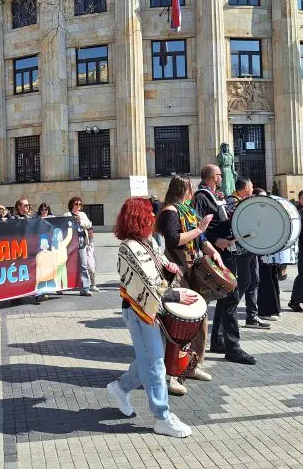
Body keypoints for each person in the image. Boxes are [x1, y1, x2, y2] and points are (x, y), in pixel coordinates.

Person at [106, 197, 195, 438]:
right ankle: (161, 417)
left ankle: (120, 388)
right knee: (155, 363)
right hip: (138, 311)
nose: (154, 217)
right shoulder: (128, 247)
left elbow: (160, 264)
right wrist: (175, 294)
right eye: (149, 214)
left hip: (151, 309)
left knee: (150, 359)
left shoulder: (148, 241)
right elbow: (147, 280)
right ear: (139, 218)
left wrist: (171, 268)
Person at [157, 174, 225, 396]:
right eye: (190, 187)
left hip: (192, 268)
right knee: (179, 323)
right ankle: (173, 374)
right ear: (182, 189)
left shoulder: (188, 210)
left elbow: (200, 240)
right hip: (177, 271)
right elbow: (174, 239)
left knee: (200, 318)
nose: (192, 190)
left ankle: (192, 365)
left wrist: (213, 252)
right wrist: (200, 228)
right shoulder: (170, 211)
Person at [192, 165, 256, 367]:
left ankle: (219, 341)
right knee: (230, 299)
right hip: (216, 255)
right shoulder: (202, 197)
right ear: (214, 177)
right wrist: (215, 239)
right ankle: (233, 348)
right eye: (219, 175)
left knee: (226, 298)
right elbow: (197, 226)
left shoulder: (215, 195)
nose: (222, 177)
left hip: (225, 252)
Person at [225, 178, 269, 330]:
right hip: (240, 250)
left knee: (254, 281)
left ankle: (252, 316)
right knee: (244, 282)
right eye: (250, 187)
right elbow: (238, 222)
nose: (252, 190)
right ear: (244, 188)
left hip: (250, 248)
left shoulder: (244, 201)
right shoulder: (232, 201)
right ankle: (229, 312)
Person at [254, 188, 296, 321]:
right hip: (260, 253)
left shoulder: (267, 213)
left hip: (270, 252)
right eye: (261, 197)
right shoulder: (252, 213)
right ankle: (264, 311)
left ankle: (274, 308)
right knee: (264, 281)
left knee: (272, 279)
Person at [66, 196, 94, 295]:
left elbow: (89, 224)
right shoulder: (67, 214)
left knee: (83, 265)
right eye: (76, 204)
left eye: (80, 204)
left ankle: (85, 288)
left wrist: (80, 221)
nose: (78, 206)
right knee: (66, 264)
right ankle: (63, 286)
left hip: (82, 241)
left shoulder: (82, 214)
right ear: (72, 205)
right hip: (70, 242)